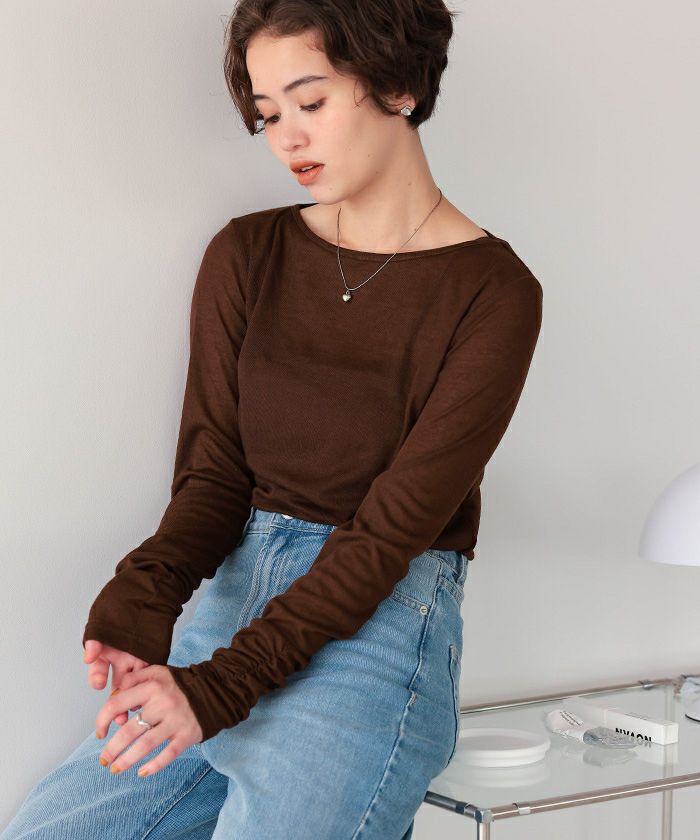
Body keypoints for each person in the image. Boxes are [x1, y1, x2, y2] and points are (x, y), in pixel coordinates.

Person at [2, 0, 544, 837]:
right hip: (230, 607)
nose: (288, 138)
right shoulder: (247, 254)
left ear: (398, 85)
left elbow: (390, 533)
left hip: (377, 628)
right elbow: (215, 476)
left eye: (311, 101)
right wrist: (143, 594)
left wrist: (220, 689)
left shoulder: (495, 294)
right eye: (268, 115)